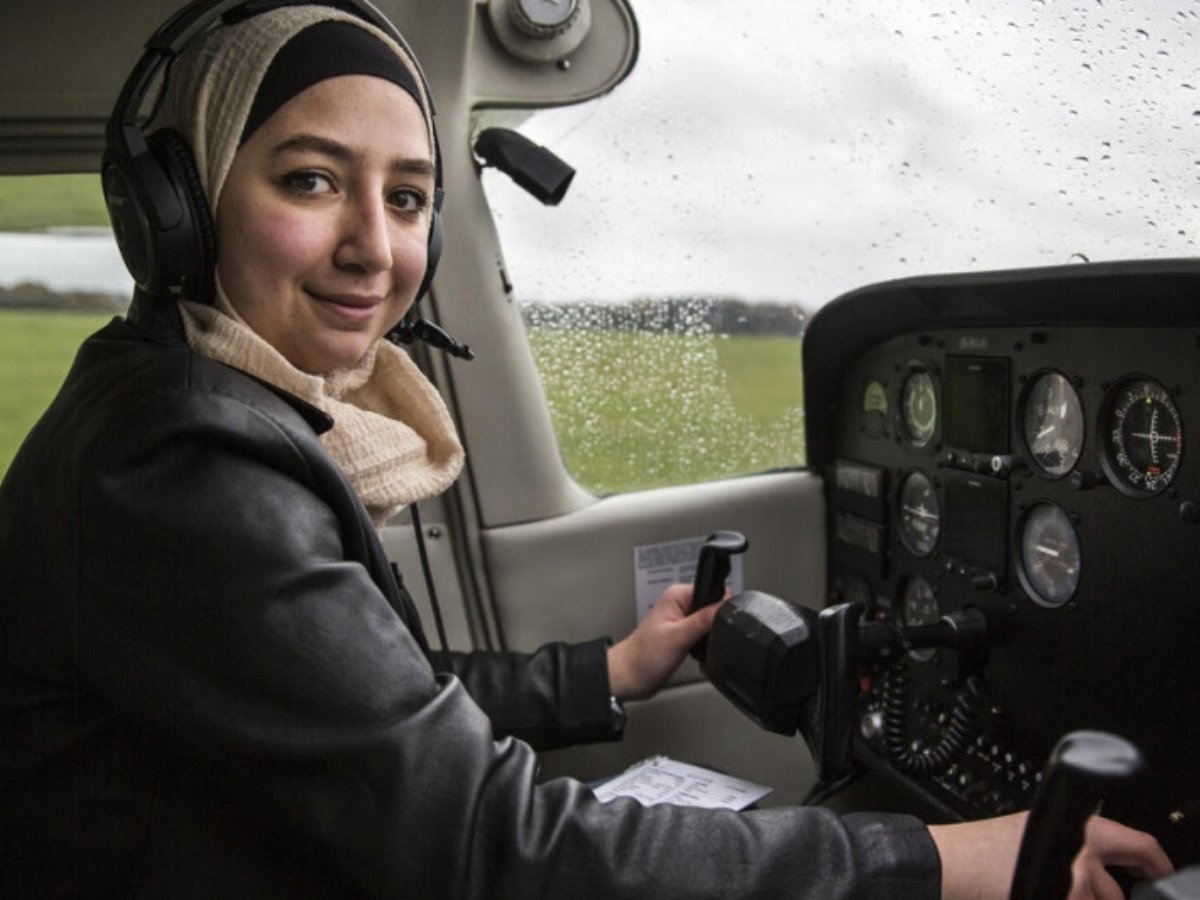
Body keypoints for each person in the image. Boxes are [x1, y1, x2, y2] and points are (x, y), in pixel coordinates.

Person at [0, 3, 1172, 898]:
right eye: (311, 180)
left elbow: (367, 701)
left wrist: (608, 671)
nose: (375, 247)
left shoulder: (180, 401)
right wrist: (942, 859)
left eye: (409, 198)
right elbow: (486, 845)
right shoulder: (181, 462)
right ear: (181, 207)